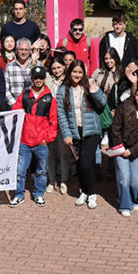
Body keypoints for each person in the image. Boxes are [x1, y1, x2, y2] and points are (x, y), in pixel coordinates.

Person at [56, 61, 107, 209]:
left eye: (79, 72)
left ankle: (91, 193)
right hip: (75, 131)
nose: (76, 75)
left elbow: (103, 104)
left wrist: (95, 92)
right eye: (74, 72)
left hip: (91, 130)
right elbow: (61, 113)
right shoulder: (63, 89)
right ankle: (84, 191)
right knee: (80, 164)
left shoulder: (89, 84)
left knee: (85, 163)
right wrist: (66, 133)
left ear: (83, 73)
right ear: (69, 72)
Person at [9, 66, 58, 208]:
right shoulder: (24, 96)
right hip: (24, 141)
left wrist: (46, 139)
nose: (38, 80)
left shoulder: (50, 99)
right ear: (31, 79)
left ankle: (38, 194)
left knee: (41, 171)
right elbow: (15, 112)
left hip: (41, 143)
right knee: (20, 171)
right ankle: (19, 195)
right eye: (35, 78)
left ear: (44, 79)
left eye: (41, 77)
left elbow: (53, 122)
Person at [109, 85, 138, 217]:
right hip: (121, 148)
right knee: (124, 177)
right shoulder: (124, 107)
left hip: (136, 150)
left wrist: (132, 150)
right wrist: (121, 147)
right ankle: (124, 205)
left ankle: (134, 199)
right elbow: (115, 128)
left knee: (136, 179)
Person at [45, 56, 72, 194]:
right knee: (50, 152)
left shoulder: (69, 81)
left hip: (63, 120)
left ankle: (64, 181)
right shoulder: (48, 79)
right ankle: (51, 181)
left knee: (64, 152)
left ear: (64, 67)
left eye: (59, 68)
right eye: (54, 68)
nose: (56, 71)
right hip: (49, 120)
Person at [4, 38, 38, 109]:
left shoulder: (37, 64)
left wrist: (34, 64)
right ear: (16, 50)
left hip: (33, 108)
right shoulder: (9, 66)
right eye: (21, 49)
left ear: (30, 51)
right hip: (14, 108)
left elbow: (40, 86)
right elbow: (6, 89)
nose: (23, 52)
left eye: (26, 50)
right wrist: (15, 105)